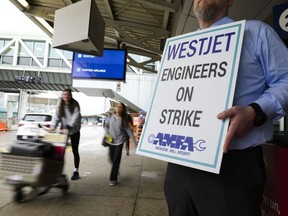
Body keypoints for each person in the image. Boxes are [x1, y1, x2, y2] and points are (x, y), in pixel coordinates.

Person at [164, 0, 288, 216]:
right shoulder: (180, 47)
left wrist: (254, 111)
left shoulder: (255, 32)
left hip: (232, 167)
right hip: (179, 165)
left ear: (230, 1)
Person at [49, 89, 82, 181]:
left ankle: (76, 171)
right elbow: (56, 116)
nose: (66, 96)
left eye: (67, 94)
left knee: (75, 151)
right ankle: (58, 172)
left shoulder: (75, 104)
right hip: (64, 130)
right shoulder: (60, 104)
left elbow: (76, 117)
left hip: (74, 130)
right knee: (60, 152)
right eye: (64, 94)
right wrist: (53, 126)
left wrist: (68, 126)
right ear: (62, 95)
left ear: (70, 95)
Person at [104, 102, 137, 186]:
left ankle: (113, 179)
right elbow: (106, 126)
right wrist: (107, 134)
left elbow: (129, 131)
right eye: (117, 107)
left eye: (121, 107)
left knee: (116, 160)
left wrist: (135, 143)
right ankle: (116, 169)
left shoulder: (124, 119)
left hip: (119, 141)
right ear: (115, 108)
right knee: (111, 158)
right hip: (110, 141)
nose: (119, 108)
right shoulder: (110, 116)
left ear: (123, 110)